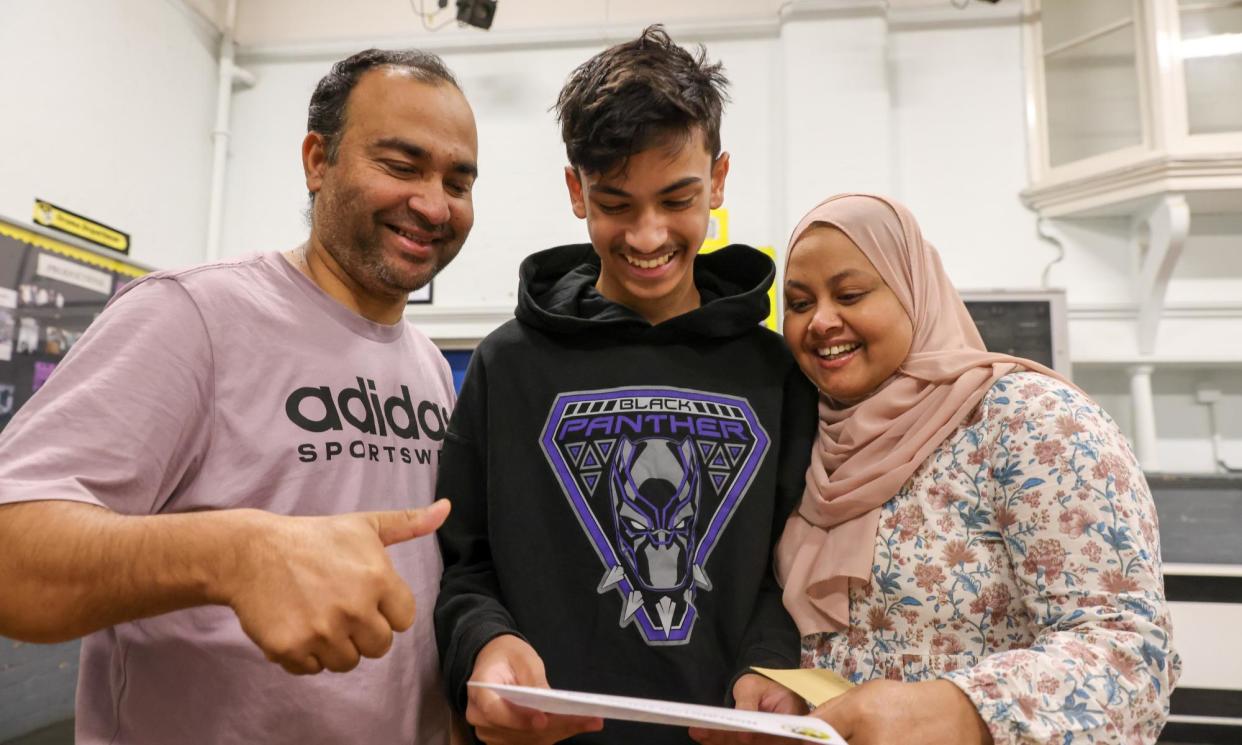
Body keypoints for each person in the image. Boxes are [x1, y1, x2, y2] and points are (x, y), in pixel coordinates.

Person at [0, 48, 479, 744]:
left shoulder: (431, 367)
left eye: (458, 181)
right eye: (402, 166)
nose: (434, 204)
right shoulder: (192, 316)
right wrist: (231, 553)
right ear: (319, 160)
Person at [434, 26, 818, 745]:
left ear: (720, 179)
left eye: (678, 200)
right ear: (577, 190)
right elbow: (464, 563)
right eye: (617, 203)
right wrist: (484, 642)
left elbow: (798, 563)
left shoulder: (775, 372)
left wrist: (772, 659)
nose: (648, 236)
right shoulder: (508, 365)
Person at [770, 193, 1178, 745]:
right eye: (798, 303)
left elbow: (1130, 659)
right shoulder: (803, 438)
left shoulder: (1029, 421)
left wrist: (954, 711)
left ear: (914, 291)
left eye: (850, 294)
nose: (820, 321)